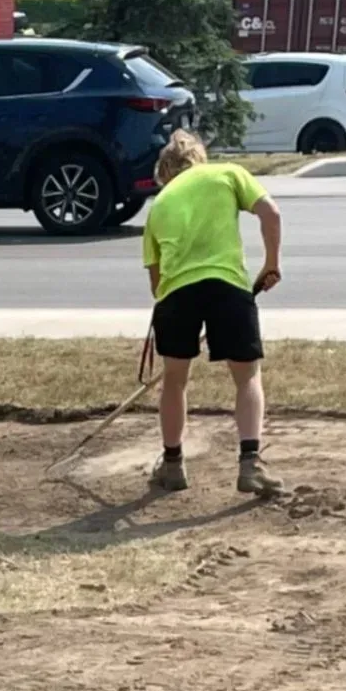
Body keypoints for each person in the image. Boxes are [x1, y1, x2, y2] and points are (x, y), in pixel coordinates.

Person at [140, 130, 284, 498]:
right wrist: (271, 263)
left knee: (175, 380)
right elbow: (271, 213)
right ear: (199, 158)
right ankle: (251, 463)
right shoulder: (228, 174)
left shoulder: (158, 206)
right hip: (228, 286)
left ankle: (172, 465)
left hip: (176, 295)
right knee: (247, 376)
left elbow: (157, 284)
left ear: (166, 172)